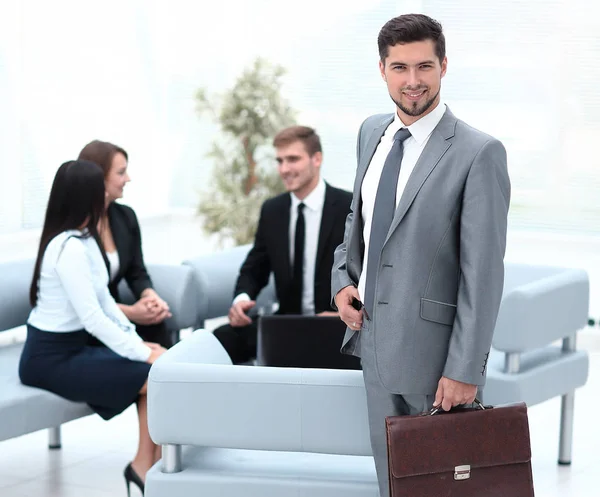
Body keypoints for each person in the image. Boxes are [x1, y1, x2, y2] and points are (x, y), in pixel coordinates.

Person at [331, 14, 510, 497]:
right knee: (392, 482)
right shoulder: (371, 132)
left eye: (424, 67)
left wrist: (464, 369)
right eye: (400, 67)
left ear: (444, 66)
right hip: (371, 343)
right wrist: (342, 282)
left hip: (436, 362)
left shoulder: (478, 152)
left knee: (444, 488)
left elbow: (484, 275)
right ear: (383, 70)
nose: (413, 81)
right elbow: (357, 222)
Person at [19, 159, 166, 494]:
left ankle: (147, 466)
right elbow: (93, 318)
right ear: (85, 195)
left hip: (72, 349)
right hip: (48, 359)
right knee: (154, 373)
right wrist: (142, 354)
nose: (106, 193)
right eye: (99, 187)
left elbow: (105, 304)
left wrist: (141, 344)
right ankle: (145, 468)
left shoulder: (84, 241)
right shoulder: (67, 248)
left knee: (160, 365)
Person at [213, 126, 352, 364]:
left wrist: (346, 311)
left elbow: (368, 271)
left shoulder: (348, 206)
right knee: (219, 340)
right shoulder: (273, 210)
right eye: (280, 161)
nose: (284, 169)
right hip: (286, 322)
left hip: (336, 323)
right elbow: (255, 267)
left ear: (316, 159)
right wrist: (241, 299)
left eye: (293, 159)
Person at [78, 140, 173, 348]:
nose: (128, 179)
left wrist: (150, 297)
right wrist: (132, 312)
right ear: (99, 178)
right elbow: (85, 303)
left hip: (116, 313)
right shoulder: (76, 228)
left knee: (157, 322)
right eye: (121, 173)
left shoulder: (125, 216)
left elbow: (136, 272)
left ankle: (175, 377)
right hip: (89, 324)